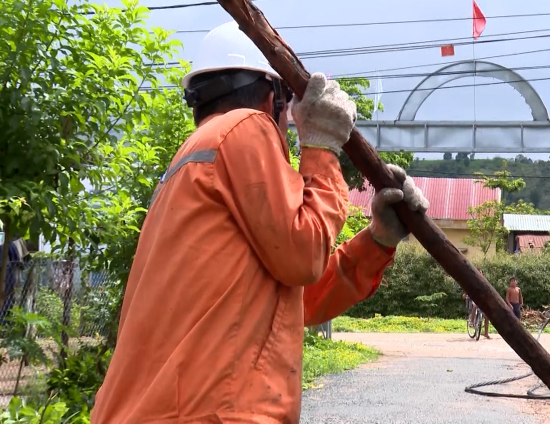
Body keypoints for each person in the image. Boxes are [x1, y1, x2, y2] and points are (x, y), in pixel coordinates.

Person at [91, 21, 430, 423]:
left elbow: (299, 297)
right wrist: (321, 148)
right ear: (274, 98)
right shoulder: (244, 128)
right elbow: (304, 254)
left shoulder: (195, 164)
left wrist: (377, 241)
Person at [466, 269, 490, 339]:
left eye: (480, 273)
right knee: (475, 305)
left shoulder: (484, 281)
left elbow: (488, 289)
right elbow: (468, 288)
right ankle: (472, 321)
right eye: (478, 272)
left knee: (487, 315)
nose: (479, 274)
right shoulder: (472, 280)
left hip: (482, 298)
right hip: (475, 298)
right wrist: (466, 293)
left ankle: (486, 332)